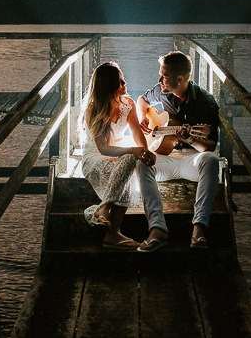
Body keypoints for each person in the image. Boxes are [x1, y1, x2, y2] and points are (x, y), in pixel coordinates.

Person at [135, 51, 221, 252]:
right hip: (167, 157)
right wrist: (144, 119)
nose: (159, 80)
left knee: (211, 160)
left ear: (180, 78)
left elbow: (209, 146)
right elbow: (141, 101)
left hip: (192, 159)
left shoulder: (206, 101)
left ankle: (198, 229)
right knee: (141, 161)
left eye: (164, 76)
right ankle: (157, 228)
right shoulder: (162, 91)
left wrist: (190, 138)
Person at [80, 62, 156, 249]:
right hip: (95, 156)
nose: (125, 83)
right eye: (121, 81)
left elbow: (137, 134)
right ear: (109, 85)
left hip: (118, 153)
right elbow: (103, 149)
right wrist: (133, 151)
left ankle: (106, 214)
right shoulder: (93, 108)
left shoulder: (127, 104)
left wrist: (145, 152)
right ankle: (113, 231)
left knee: (131, 161)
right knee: (130, 160)